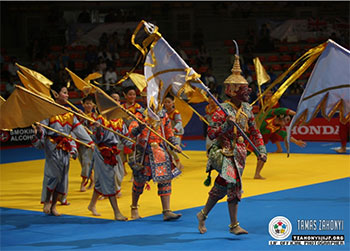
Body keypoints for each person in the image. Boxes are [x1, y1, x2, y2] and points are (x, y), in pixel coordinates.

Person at [196, 53, 267, 235]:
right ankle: (234, 225)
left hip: (240, 153)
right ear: (232, 90)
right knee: (234, 183)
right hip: (223, 152)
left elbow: (255, 132)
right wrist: (227, 124)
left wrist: (261, 149)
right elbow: (212, 133)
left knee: (221, 186)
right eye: (243, 88)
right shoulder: (222, 110)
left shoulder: (247, 109)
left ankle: (202, 214)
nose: (248, 91)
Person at [32, 81, 94, 216]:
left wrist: (90, 142)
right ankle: (47, 202)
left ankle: (54, 205)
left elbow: (78, 129)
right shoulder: (48, 112)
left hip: (65, 147)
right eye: (64, 92)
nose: (67, 95)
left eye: (67, 93)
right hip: (53, 146)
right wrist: (39, 132)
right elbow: (42, 131)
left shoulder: (69, 114)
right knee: (53, 175)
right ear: (55, 94)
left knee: (62, 177)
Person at [128, 105, 183, 221]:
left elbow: (168, 133)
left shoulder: (163, 114)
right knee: (139, 181)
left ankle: (167, 211)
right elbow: (131, 133)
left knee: (165, 179)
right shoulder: (141, 114)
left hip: (159, 152)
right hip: (144, 152)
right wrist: (140, 128)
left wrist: (175, 144)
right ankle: (134, 207)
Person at [87, 114, 129, 221]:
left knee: (102, 182)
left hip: (114, 151)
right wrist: (98, 129)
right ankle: (117, 212)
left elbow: (125, 138)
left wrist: (135, 145)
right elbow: (97, 139)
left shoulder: (120, 120)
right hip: (102, 152)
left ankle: (92, 205)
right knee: (109, 180)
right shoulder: (101, 120)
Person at [253, 108, 307, 179]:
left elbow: (285, 135)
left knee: (263, 156)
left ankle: (257, 174)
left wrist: (296, 141)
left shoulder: (277, 128)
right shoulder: (269, 115)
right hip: (247, 132)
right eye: (286, 120)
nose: (286, 123)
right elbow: (283, 110)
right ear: (281, 117)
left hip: (255, 140)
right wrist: (297, 115)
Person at [78, 95, 97, 192]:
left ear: (93, 105)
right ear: (83, 104)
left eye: (90, 103)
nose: (88, 105)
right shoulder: (79, 115)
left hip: (91, 142)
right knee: (83, 162)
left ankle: (83, 182)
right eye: (86, 103)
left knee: (86, 162)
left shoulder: (95, 116)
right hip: (81, 142)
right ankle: (92, 180)